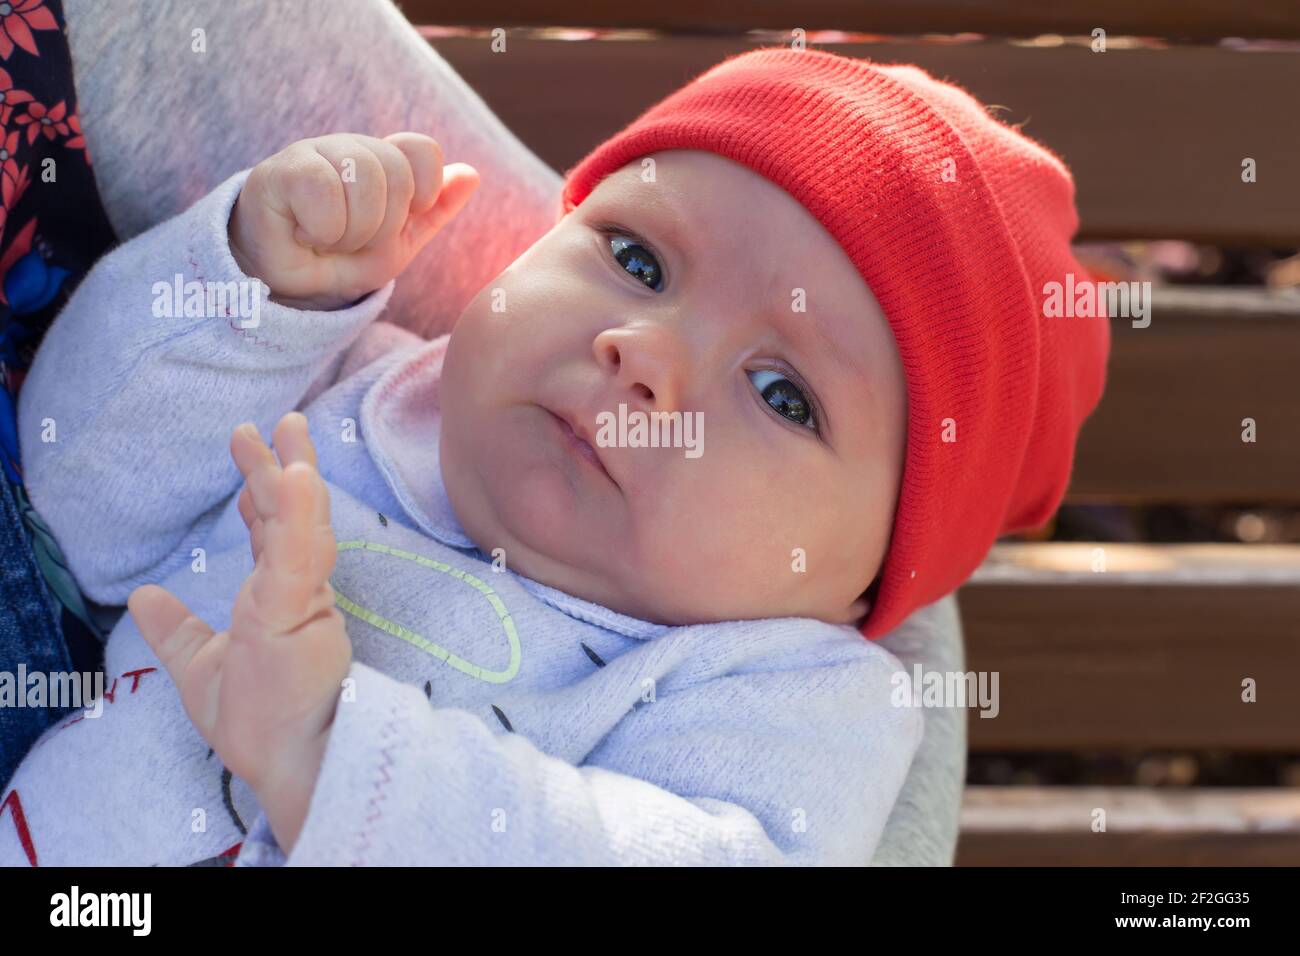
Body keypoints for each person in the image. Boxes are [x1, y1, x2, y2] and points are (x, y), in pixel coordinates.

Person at [1, 0, 982, 865]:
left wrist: (328, 756)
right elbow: (81, 520)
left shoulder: (785, 696)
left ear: (866, 580)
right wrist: (246, 294)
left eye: (782, 393)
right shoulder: (343, 386)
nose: (644, 353)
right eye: (638, 259)